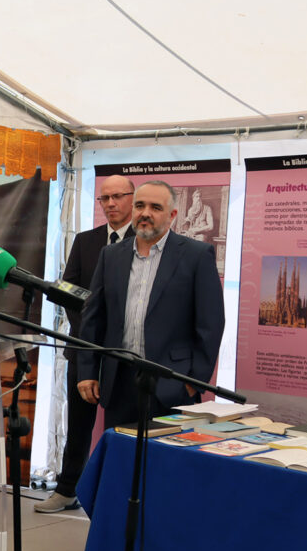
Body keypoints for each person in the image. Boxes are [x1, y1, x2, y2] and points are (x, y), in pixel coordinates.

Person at [76, 180, 224, 430]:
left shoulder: (196, 255)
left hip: (171, 384)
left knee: (164, 455)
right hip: (118, 382)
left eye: (155, 207)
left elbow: (211, 323)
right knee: (122, 451)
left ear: (172, 215)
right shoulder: (110, 255)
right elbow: (93, 318)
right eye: (140, 206)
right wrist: (88, 371)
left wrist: (193, 382)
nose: (145, 213)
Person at [35, 175, 135, 513]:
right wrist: (88, 334)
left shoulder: (144, 243)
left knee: (120, 428)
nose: (110, 204)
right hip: (83, 350)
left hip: (123, 354)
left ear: (132, 199)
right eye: (104, 198)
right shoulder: (86, 240)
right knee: (78, 425)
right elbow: (68, 290)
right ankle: (67, 490)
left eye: (118, 196)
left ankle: (116, 496)